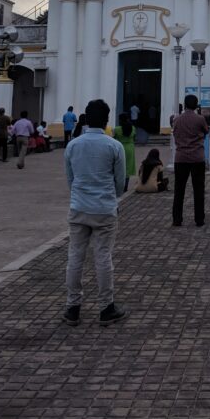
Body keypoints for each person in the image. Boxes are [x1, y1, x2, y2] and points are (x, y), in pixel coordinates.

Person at [63, 98, 126, 327]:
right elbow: (120, 182)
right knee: (103, 258)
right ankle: (106, 307)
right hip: (104, 209)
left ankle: (72, 308)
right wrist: (111, 197)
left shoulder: (72, 145)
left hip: (79, 207)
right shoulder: (113, 146)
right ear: (107, 120)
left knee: (75, 258)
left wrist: (81, 195)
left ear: (86, 119)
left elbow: (70, 179)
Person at [171, 94, 209, 227]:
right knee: (198, 189)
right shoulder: (200, 119)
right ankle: (199, 219)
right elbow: (206, 131)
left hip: (181, 157)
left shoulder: (176, 119)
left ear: (185, 104)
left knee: (179, 190)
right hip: (197, 157)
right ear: (196, 105)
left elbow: (174, 133)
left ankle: (177, 219)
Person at [113, 112, 137, 193]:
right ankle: (125, 187)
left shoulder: (117, 129)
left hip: (120, 147)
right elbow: (134, 138)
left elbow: (114, 139)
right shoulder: (133, 128)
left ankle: (118, 185)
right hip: (130, 148)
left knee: (119, 166)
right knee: (128, 167)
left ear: (120, 120)